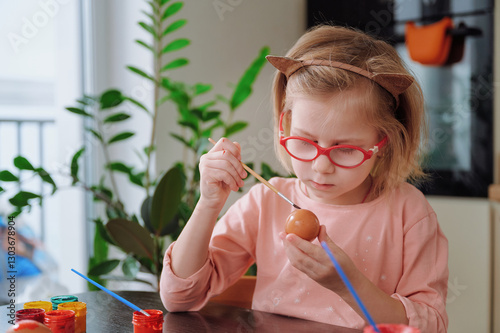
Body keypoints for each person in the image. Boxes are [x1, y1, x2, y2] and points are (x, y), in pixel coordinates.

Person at [160, 25, 449, 332]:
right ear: (285, 124)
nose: (322, 166)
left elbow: (431, 326)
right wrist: (208, 204)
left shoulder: (409, 213)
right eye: (305, 142)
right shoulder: (265, 202)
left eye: (346, 149)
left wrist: (349, 284)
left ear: (383, 142)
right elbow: (179, 298)